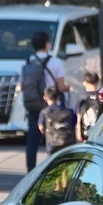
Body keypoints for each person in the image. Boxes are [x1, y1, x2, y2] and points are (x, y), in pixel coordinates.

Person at [24, 31, 68, 172]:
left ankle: (30, 171)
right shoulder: (55, 62)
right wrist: (70, 88)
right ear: (47, 44)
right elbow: (61, 87)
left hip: (34, 104)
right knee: (55, 139)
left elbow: (22, 84)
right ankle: (54, 170)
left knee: (32, 140)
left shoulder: (28, 61)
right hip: (52, 106)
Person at [38, 87, 76, 156]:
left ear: (45, 98)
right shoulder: (67, 111)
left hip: (52, 143)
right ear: (58, 97)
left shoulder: (44, 112)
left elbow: (41, 127)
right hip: (67, 142)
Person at [76, 71, 102, 142]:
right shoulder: (101, 96)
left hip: (86, 132)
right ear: (97, 82)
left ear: (84, 83)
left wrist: (78, 132)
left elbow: (79, 116)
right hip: (100, 132)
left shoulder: (82, 97)